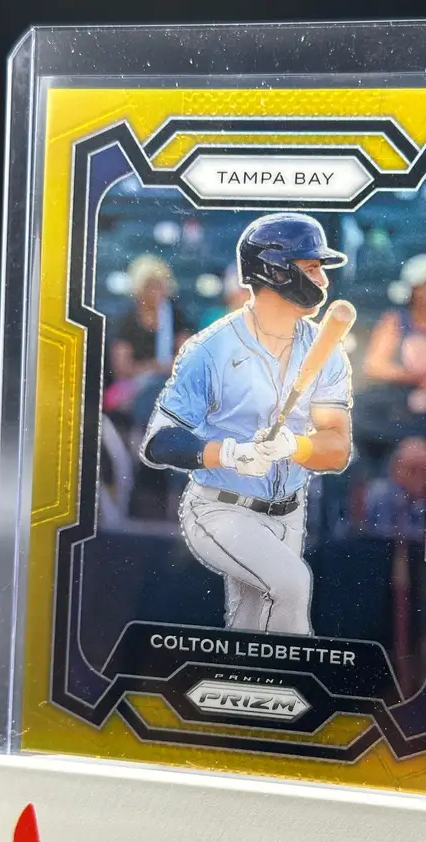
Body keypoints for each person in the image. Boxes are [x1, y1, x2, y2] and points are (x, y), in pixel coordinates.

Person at [141, 213, 353, 636]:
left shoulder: (326, 350)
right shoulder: (211, 349)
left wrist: (296, 447)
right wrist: (230, 453)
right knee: (292, 586)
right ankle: (294, 674)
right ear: (276, 272)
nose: (323, 281)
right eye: (312, 267)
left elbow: (337, 449)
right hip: (219, 507)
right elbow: (159, 442)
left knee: (250, 627)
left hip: (289, 511)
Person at [353, 254, 426, 463]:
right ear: (412, 290)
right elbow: (374, 366)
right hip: (400, 406)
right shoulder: (395, 320)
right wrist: (416, 377)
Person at [107, 254, 192, 385]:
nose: (156, 292)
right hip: (134, 387)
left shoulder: (177, 316)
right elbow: (122, 369)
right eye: (150, 286)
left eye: (159, 286)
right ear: (139, 289)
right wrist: (154, 368)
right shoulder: (126, 319)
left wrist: (153, 369)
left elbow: (187, 359)